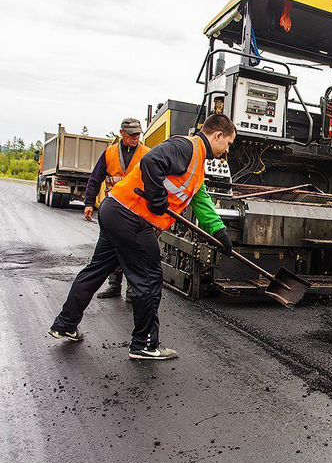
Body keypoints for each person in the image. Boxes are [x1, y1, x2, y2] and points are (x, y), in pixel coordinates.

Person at [48, 114, 236, 360]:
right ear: (217, 135)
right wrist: (157, 198)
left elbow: (201, 202)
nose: (227, 150)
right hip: (131, 217)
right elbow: (151, 162)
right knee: (148, 279)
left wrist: (219, 233)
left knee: (97, 270)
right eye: (228, 144)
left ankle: (64, 324)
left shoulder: (197, 165)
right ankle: (144, 344)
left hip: (116, 210)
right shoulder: (185, 147)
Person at [85, 118, 151, 302]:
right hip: (113, 210)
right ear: (121, 133)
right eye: (131, 134)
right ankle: (114, 286)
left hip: (136, 211)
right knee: (113, 247)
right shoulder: (110, 153)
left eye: (138, 134)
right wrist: (89, 203)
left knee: (133, 251)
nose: (135, 138)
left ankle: (132, 291)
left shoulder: (147, 154)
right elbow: (95, 179)